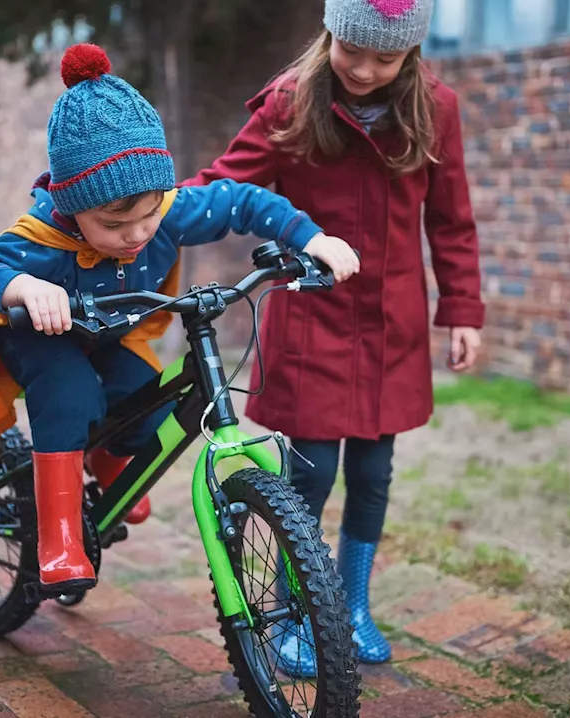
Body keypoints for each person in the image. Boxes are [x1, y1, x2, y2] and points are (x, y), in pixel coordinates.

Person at [0, 43, 360, 596]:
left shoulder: (161, 211)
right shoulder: (42, 240)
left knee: (147, 394)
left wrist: (311, 237)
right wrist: (21, 286)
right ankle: (60, 534)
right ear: (73, 207)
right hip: (44, 340)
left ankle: (111, 470)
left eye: (149, 215)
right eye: (115, 225)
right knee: (70, 394)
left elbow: (241, 201)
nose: (138, 234)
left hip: (111, 335)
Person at [183, 0, 485, 674]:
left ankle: (351, 605)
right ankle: (293, 615)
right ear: (331, 32)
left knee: (373, 473)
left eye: (386, 57)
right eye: (354, 50)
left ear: (410, 52)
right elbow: (224, 183)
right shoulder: (291, 104)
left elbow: (453, 220)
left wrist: (463, 309)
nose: (367, 70)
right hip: (313, 318)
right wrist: (146, 214)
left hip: (390, 321)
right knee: (310, 476)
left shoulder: (436, 109)